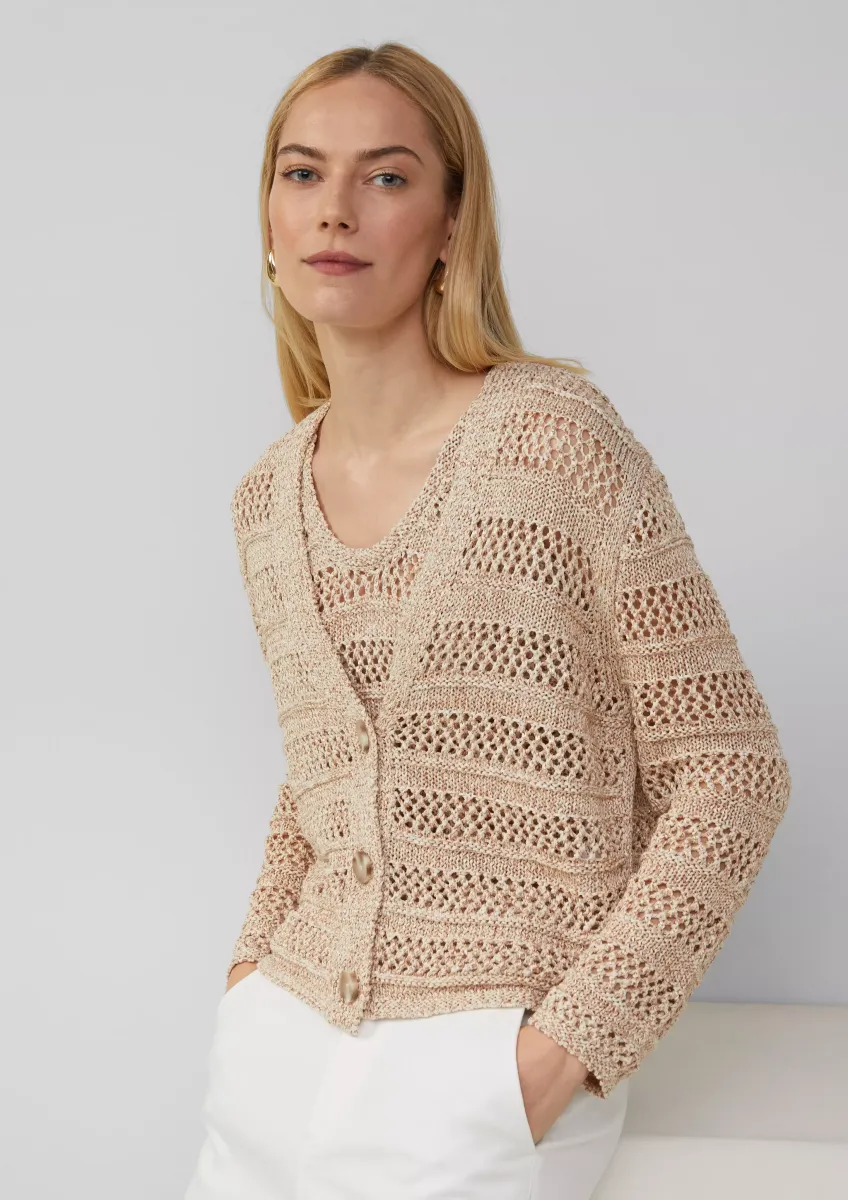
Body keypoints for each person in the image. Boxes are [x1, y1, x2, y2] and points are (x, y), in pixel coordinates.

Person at [184, 41, 791, 1200]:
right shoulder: (265, 498)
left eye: (387, 175)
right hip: (275, 1049)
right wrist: (248, 979)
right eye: (302, 173)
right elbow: (319, 784)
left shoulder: (554, 441)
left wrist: (562, 1052)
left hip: (481, 1069)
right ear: (268, 220)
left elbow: (729, 769)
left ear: (452, 225)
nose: (335, 209)